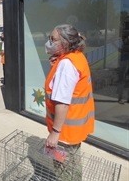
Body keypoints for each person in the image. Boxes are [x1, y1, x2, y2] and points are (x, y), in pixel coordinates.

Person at [44, 24, 95, 180]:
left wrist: (55, 133)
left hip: (64, 132)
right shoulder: (77, 56)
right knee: (73, 167)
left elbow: (62, 102)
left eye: (53, 39)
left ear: (65, 43)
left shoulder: (67, 64)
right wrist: (57, 63)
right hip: (74, 130)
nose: (49, 42)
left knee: (64, 172)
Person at [117, 35, 129, 104]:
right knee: (122, 79)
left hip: (124, 59)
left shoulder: (124, 41)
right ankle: (120, 98)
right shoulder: (124, 41)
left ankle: (120, 98)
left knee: (122, 79)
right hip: (124, 60)